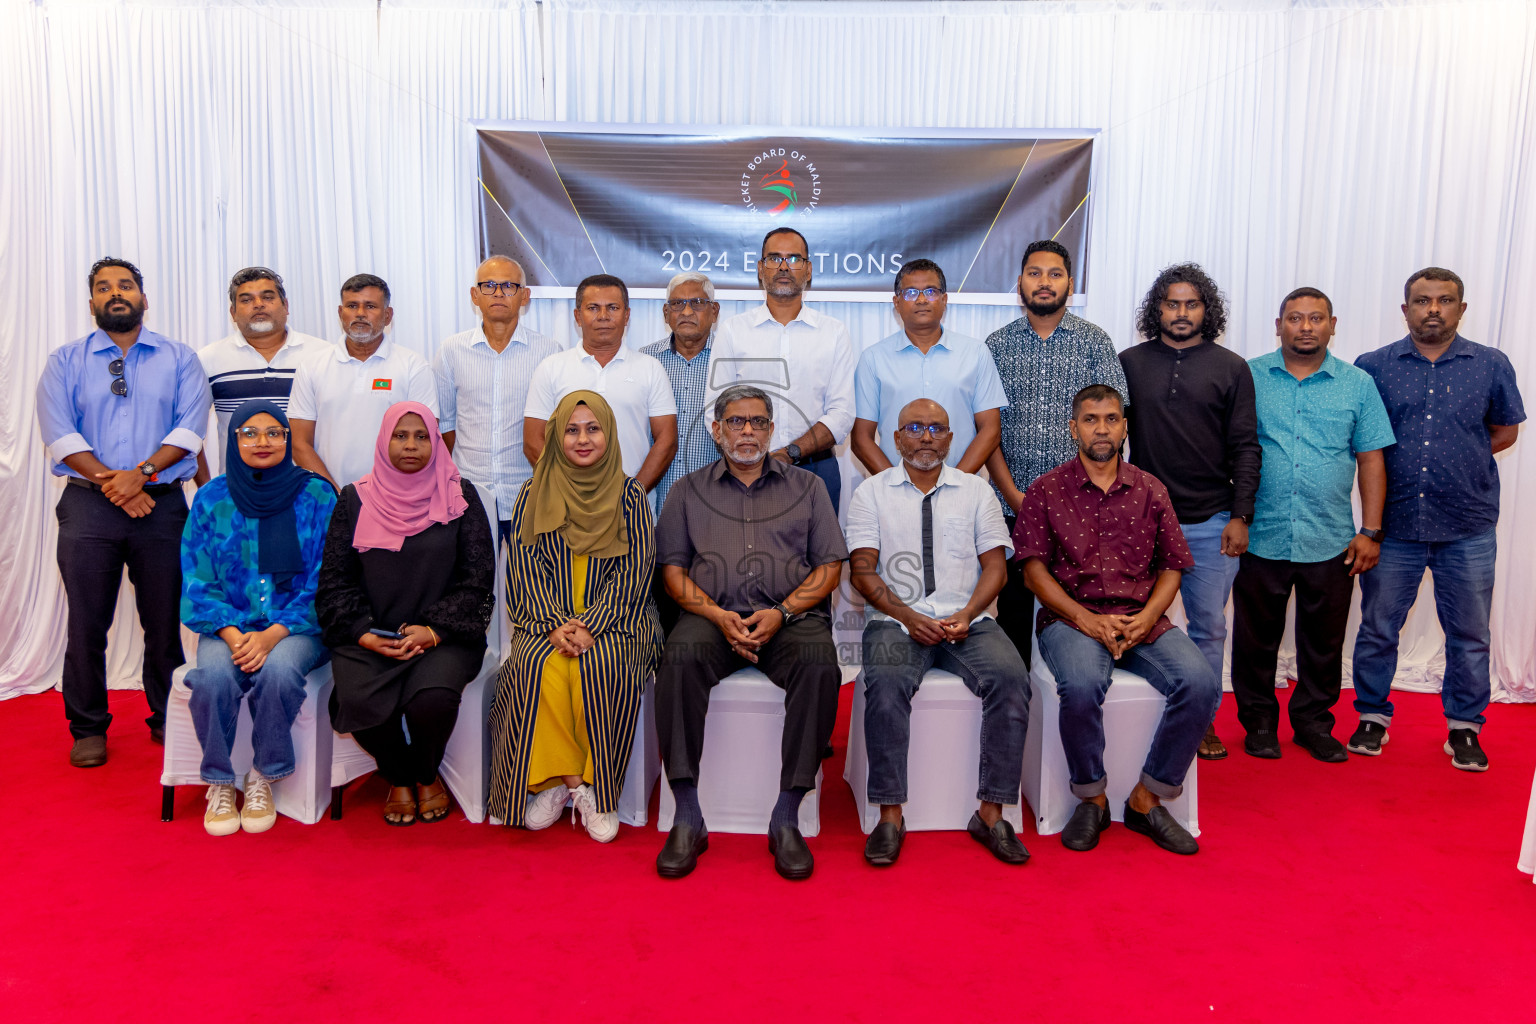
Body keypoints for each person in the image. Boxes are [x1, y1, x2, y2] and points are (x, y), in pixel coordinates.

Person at [653, 385, 848, 880]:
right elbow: (673, 574)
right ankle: (688, 812)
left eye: (758, 422)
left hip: (789, 620)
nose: (747, 431)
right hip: (710, 618)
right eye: (736, 422)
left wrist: (781, 613)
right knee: (676, 658)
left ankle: (786, 815)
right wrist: (719, 617)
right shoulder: (687, 490)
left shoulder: (807, 488)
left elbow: (829, 568)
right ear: (717, 431)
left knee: (821, 664)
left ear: (771, 430)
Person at [1016, 384, 1219, 855]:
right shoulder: (1046, 490)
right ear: (1074, 428)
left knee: (1201, 683)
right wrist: (1086, 620)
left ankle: (1148, 799)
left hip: (1141, 619)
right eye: (1090, 419)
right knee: (1083, 684)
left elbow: (1173, 566)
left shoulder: (1151, 489)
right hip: (1071, 619)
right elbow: (1033, 572)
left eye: (1111, 419)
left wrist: (1148, 619)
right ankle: (1093, 799)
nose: (1101, 428)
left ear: (1125, 427)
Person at [36, 257, 212, 767]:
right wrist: (117, 484)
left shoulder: (180, 359)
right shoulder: (64, 360)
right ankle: (88, 727)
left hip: (161, 508)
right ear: (91, 302)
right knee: (88, 623)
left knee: (163, 622)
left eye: (126, 286)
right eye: (104, 288)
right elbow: (59, 433)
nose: (116, 294)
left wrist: (142, 476)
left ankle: (165, 720)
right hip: (88, 506)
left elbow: (188, 429)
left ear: (143, 298)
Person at [1349, 268, 1524, 770]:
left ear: (1461, 309)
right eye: (1421, 300)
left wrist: (1460, 459)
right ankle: (1372, 717)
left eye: (1444, 300)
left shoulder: (1491, 365)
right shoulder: (1373, 367)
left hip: (1467, 524)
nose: (1432, 309)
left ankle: (1464, 728)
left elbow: (1504, 431)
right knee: (1379, 628)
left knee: (1469, 633)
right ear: (1404, 309)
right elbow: (1366, 445)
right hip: (1395, 526)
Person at [847, 398, 1031, 867]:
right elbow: (863, 572)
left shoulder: (975, 491)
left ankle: (991, 813)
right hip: (895, 621)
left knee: (1012, 680)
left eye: (937, 429)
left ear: (951, 439)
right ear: (896, 438)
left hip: (967, 620)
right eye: (914, 427)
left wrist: (969, 612)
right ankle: (890, 815)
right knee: (885, 686)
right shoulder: (872, 493)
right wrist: (909, 616)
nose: (926, 436)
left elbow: (996, 566)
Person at [487, 391, 661, 843]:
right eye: (571, 430)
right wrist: (553, 623)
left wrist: (592, 624)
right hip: (547, 619)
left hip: (619, 619)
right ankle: (571, 784)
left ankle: (599, 792)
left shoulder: (629, 496)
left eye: (593, 428)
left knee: (600, 666)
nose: (583, 439)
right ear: (555, 436)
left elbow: (636, 570)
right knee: (537, 667)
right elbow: (523, 567)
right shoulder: (532, 492)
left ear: (609, 433)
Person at [1231, 288, 1395, 762]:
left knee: (1324, 642)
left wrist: (1371, 531)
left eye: (1316, 318)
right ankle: (1259, 724)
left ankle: (1313, 725)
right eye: (1295, 318)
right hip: (1261, 533)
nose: (1306, 326)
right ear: (1278, 323)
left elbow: (1371, 459)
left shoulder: (1358, 384)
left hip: (1330, 538)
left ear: (1333, 324)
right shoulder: (1249, 376)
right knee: (1254, 639)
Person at [316, 402, 494, 825]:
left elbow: (478, 578)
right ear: (384, 441)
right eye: (400, 436)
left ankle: (425, 773)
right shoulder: (353, 499)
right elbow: (334, 581)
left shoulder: (460, 495)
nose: (411, 445)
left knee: (431, 701)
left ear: (436, 442)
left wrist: (433, 631)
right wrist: (362, 633)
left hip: (443, 637)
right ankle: (398, 775)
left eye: (421, 436)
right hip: (372, 636)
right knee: (355, 699)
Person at [1119, 264, 1261, 760]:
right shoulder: (1129, 363)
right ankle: (1134, 710)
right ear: (1157, 309)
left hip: (1210, 520)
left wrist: (1240, 515)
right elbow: (1110, 439)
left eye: (1192, 304)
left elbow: (1246, 446)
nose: (1181, 313)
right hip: (1141, 521)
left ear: (1207, 310)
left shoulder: (1231, 367)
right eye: (1172, 304)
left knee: (1209, 627)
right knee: (1131, 618)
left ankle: (1200, 719)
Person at [180, 401, 336, 835]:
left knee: (281, 672)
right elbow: (197, 580)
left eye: (274, 432)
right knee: (211, 678)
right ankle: (219, 780)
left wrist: (272, 636)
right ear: (233, 442)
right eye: (249, 433)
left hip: (297, 626)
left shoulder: (317, 495)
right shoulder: (212, 498)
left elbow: (328, 579)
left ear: (288, 439)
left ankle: (264, 774)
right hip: (226, 625)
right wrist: (233, 635)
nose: (262, 441)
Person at [985, 240, 1127, 671]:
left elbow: (1114, 429)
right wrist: (1015, 498)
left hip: (1082, 508)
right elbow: (988, 432)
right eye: (1034, 273)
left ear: (1069, 283)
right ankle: (1017, 709)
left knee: (1075, 612)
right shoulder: (997, 345)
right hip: (1013, 504)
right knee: (1012, 612)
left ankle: (1071, 696)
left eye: (1054, 274)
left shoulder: (1095, 343)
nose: (1044, 283)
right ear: (1020, 283)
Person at [706, 228, 856, 513]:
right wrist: (752, 457)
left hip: (816, 468)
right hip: (745, 470)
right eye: (774, 258)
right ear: (761, 269)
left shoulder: (834, 333)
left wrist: (789, 454)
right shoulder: (733, 331)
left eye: (794, 259)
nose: (784, 267)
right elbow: (715, 410)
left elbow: (842, 414)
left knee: (819, 558)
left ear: (808, 270)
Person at [433, 256, 560, 543]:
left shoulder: (549, 352)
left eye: (509, 286)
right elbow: (445, 426)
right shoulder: (451, 351)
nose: (499, 293)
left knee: (526, 585)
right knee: (474, 585)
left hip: (529, 494)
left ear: (524, 296)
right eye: (489, 285)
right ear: (474, 295)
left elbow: (553, 428)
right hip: (469, 494)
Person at [523, 274, 678, 508]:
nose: (603, 316)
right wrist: (568, 491)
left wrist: (631, 494)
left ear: (626, 315)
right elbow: (534, 441)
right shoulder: (552, 368)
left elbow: (666, 441)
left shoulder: (650, 368)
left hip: (632, 507)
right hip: (566, 506)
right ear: (577, 316)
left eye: (613, 308)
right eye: (593, 308)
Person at [851, 259, 1007, 474]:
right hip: (893, 494)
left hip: (963, 489)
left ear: (944, 300)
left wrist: (957, 484)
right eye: (911, 293)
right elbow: (861, 439)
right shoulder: (873, 358)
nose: (922, 300)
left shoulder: (976, 353)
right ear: (896, 303)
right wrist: (894, 487)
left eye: (931, 292)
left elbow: (990, 430)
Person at [289, 274, 439, 490]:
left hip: (394, 497)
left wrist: (388, 494)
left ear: (388, 315)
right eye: (352, 305)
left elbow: (424, 442)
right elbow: (299, 443)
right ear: (341, 313)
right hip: (330, 496)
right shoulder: (312, 366)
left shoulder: (413, 366)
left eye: (370, 306)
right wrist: (334, 495)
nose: (360, 313)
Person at [194, 267, 325, 483]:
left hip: (309, 492)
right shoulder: (208, 359)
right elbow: (191, 431)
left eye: (267, 297)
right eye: (246, 300)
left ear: (286, 305)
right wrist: (207, 490)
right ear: (233, 313)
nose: (258, 304)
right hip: (237, 492)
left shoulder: (320, 355)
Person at [642, 271, 722, 514]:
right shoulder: (644, 360)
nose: (687, 312)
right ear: (666, 313)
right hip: (652, 499)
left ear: (714, 311)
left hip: (714, 501)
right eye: (677, 304)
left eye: (697, 303)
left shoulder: (731, 361)